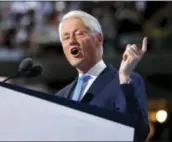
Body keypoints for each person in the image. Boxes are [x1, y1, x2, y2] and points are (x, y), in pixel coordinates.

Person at [55, 10, 149, 142]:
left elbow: (137, 134)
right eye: (66, 37)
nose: (71, 41)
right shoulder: (60, 96)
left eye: (79, 34)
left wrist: (124, 79)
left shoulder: (126, 81)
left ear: (98, 38)